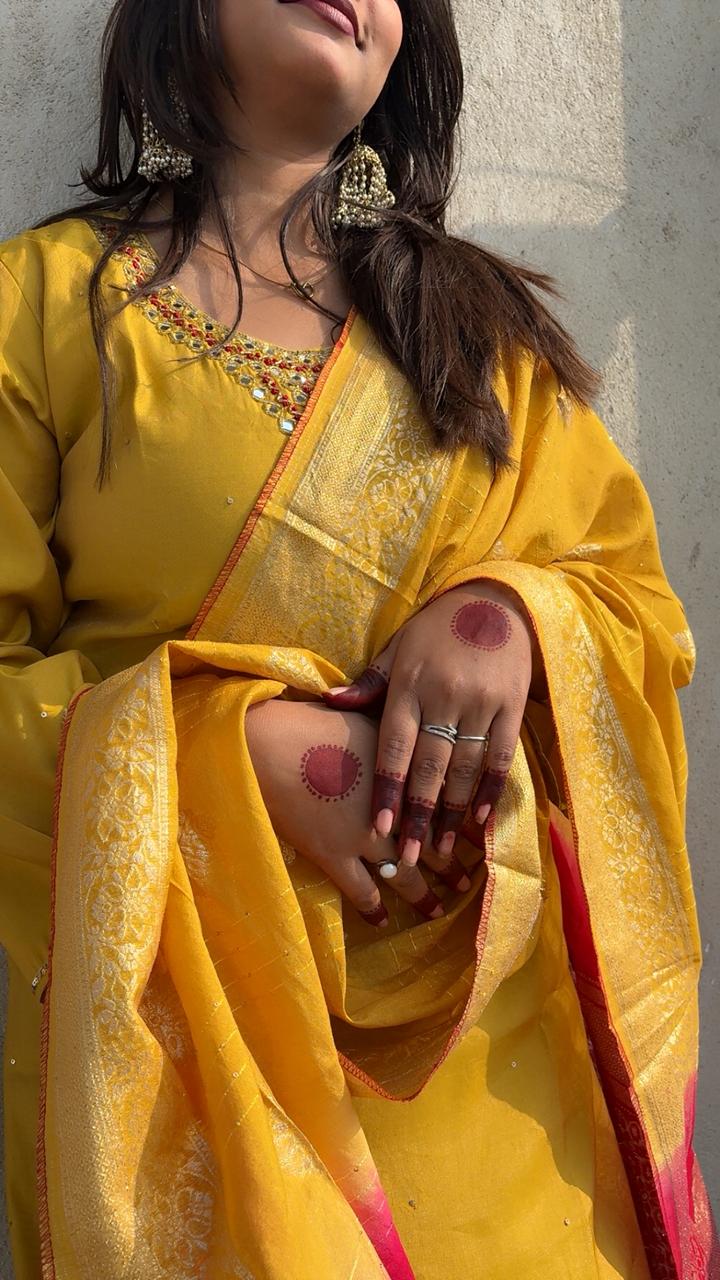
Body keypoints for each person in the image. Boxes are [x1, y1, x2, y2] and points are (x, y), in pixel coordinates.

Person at [0, 0, 715, 1277]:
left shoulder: (478, 337)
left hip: (504, 1105)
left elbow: (636, 610)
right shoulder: (47, 307)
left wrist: (507, 618)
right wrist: (226, 753)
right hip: (197, 1092)